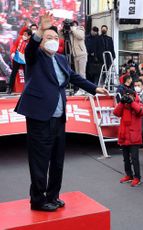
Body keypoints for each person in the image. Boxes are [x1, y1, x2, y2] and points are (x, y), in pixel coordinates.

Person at [14, 12, 108, 212]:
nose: (53, 41)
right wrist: (40, 30)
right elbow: (30, 48)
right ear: (41, 41)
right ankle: (38, 200)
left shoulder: (61, 59)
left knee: (57, 161)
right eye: (49, 38)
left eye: (56, 38)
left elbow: (74, 77)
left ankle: (53, 196)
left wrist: (94, 88)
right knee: (40, 162)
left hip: (58, 118)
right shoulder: (35, 56)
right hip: (39, 117)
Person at [113, 88, 143, 187]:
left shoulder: (139, 103)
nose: (128, 97)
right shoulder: (123, 106)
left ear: (134, 96)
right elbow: (116, 113)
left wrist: (132, 102)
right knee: (126, 158)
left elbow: (141, 111)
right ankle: (129, 175)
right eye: (126, 95)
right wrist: (121, 103)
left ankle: (137, 177)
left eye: (130, 95)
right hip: (124, 135)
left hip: (134, 136)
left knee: (135, 159)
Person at [7, 29, 32, 94]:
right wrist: (13, 52)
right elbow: (15, 46)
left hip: (25, 59)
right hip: (17, 58)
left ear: (29, 36)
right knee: (13, 73)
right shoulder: (20, 38)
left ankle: (27, 89)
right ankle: (10, 88)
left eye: (25, 35)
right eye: (23, 34)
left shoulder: (31, 42)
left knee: (26, 74)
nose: (24, 35)